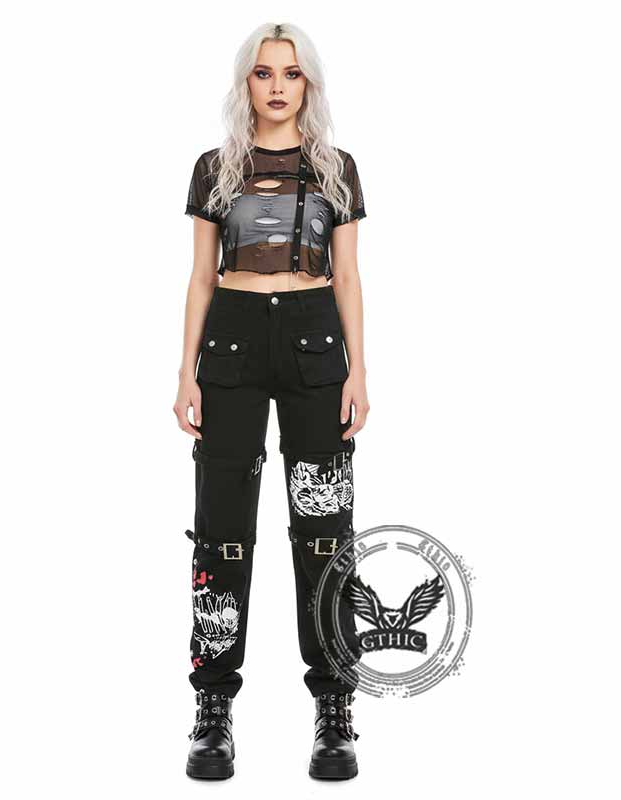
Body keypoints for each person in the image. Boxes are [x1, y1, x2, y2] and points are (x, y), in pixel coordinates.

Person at [174, 21, 371, 781]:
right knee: (221, 531)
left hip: (317, 341)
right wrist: (185, 373)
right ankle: (212, 709)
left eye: (291, 72)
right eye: (264, 73)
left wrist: (359, 372)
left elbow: (347, 276)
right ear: (246, 83)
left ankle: (334, 708)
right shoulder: (215, 167)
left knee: (324, 532)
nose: (278, 86)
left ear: (308, 83)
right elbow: (201, 276)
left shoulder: (336, 169)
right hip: (231, 341)